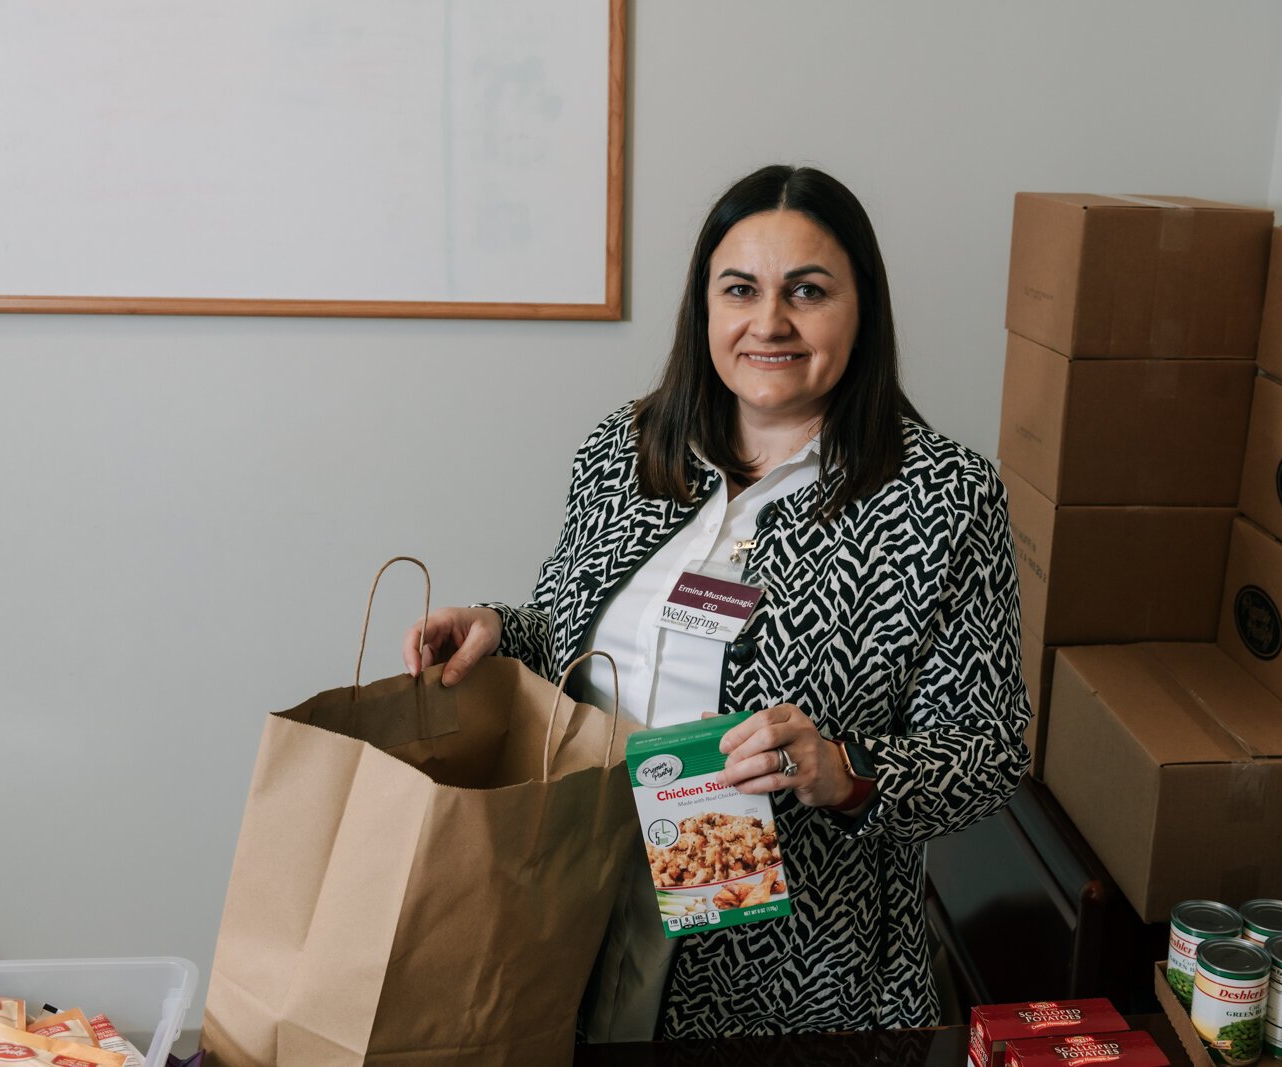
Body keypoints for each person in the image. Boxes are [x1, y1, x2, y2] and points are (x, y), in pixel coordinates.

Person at [402, 164, 1032, 1039]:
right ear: (707, 307)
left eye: (807, 292)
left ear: (863, 308)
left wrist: (846, 773)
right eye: (741, 290)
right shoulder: (625, 450)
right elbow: (571, 642)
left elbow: (991, 750)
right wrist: (503, 629)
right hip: (580, 896)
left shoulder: (941, 497)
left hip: (800, 958)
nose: (769, 321)